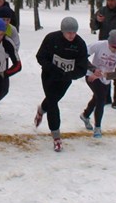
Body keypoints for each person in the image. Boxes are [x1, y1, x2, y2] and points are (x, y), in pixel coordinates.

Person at [35, 17, 89, 151]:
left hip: (65, 79)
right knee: (53, 102)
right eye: (68, 32)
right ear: (62, 31)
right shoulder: (51, 38)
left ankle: (41, 110)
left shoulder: (80, 44)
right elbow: (40, 56)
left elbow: (82, 68)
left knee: (53, 99)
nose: (71, 35)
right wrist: (52, 68)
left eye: (74, 33)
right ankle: (56, 137)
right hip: (49, 76)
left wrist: (69, 74)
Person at [79, 30, 116, 138]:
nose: (115, 50)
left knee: (97, 97)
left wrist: (103, 75)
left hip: (105, 77)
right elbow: (81, 56)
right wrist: (93, 69)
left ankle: (85, 115)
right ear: (108, 43)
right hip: (91, 75)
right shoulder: (99, 45)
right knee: (101, 98)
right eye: (113, 47)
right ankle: (98, 127)